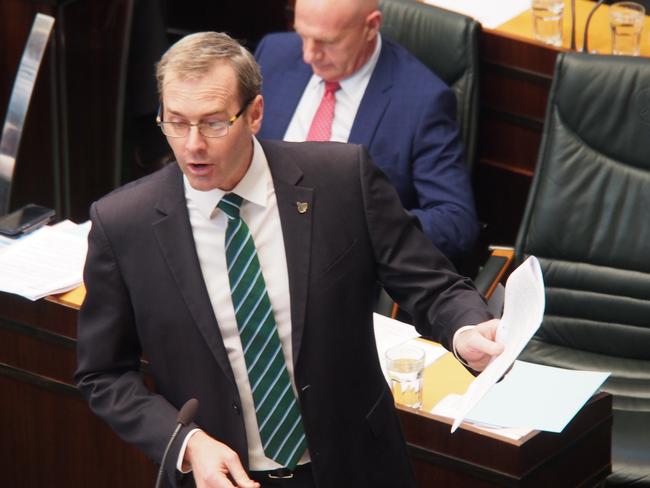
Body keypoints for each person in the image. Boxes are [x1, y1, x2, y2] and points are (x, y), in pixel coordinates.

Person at [75, 32, 503, 488]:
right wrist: (185, 443)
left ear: (255, 113)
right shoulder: (124, 224)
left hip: (355, 468)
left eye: (214, 123)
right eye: (176, 122)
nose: (192, 145)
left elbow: (432, 286)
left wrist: (465, 330)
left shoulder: (341, 180)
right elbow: (103, 374)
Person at [255, 0, 478, 264]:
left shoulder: (421, 102)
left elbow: (456, 223)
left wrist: (361, 225)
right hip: (254, 235)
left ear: (371, 26)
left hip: (339, 269)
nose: (309, 55)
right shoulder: (273, 53)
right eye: (302, 35)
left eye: (327, 42)